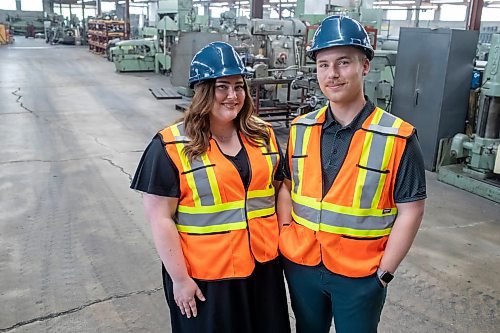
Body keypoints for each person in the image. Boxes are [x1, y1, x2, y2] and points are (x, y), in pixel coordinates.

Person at [277, 15, 427, 333]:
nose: (332, 74)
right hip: (302, 266)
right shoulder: (300, 128)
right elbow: (286, 186)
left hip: (361, 274)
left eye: (343, 62)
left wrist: (385, 272)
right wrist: (286, 232)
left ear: (365, 66)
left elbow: (411, 210)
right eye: (323, 64)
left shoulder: (397, 136)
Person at [131, 41, 290, 333]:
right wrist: (180, 279)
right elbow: (160, 218)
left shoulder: (264, 135)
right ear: (202, 91)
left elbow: (279, 190)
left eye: (239, 86)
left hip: (263, 269)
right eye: (222, 87)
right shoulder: (170, 146)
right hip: (207, 277)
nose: (233, 95)